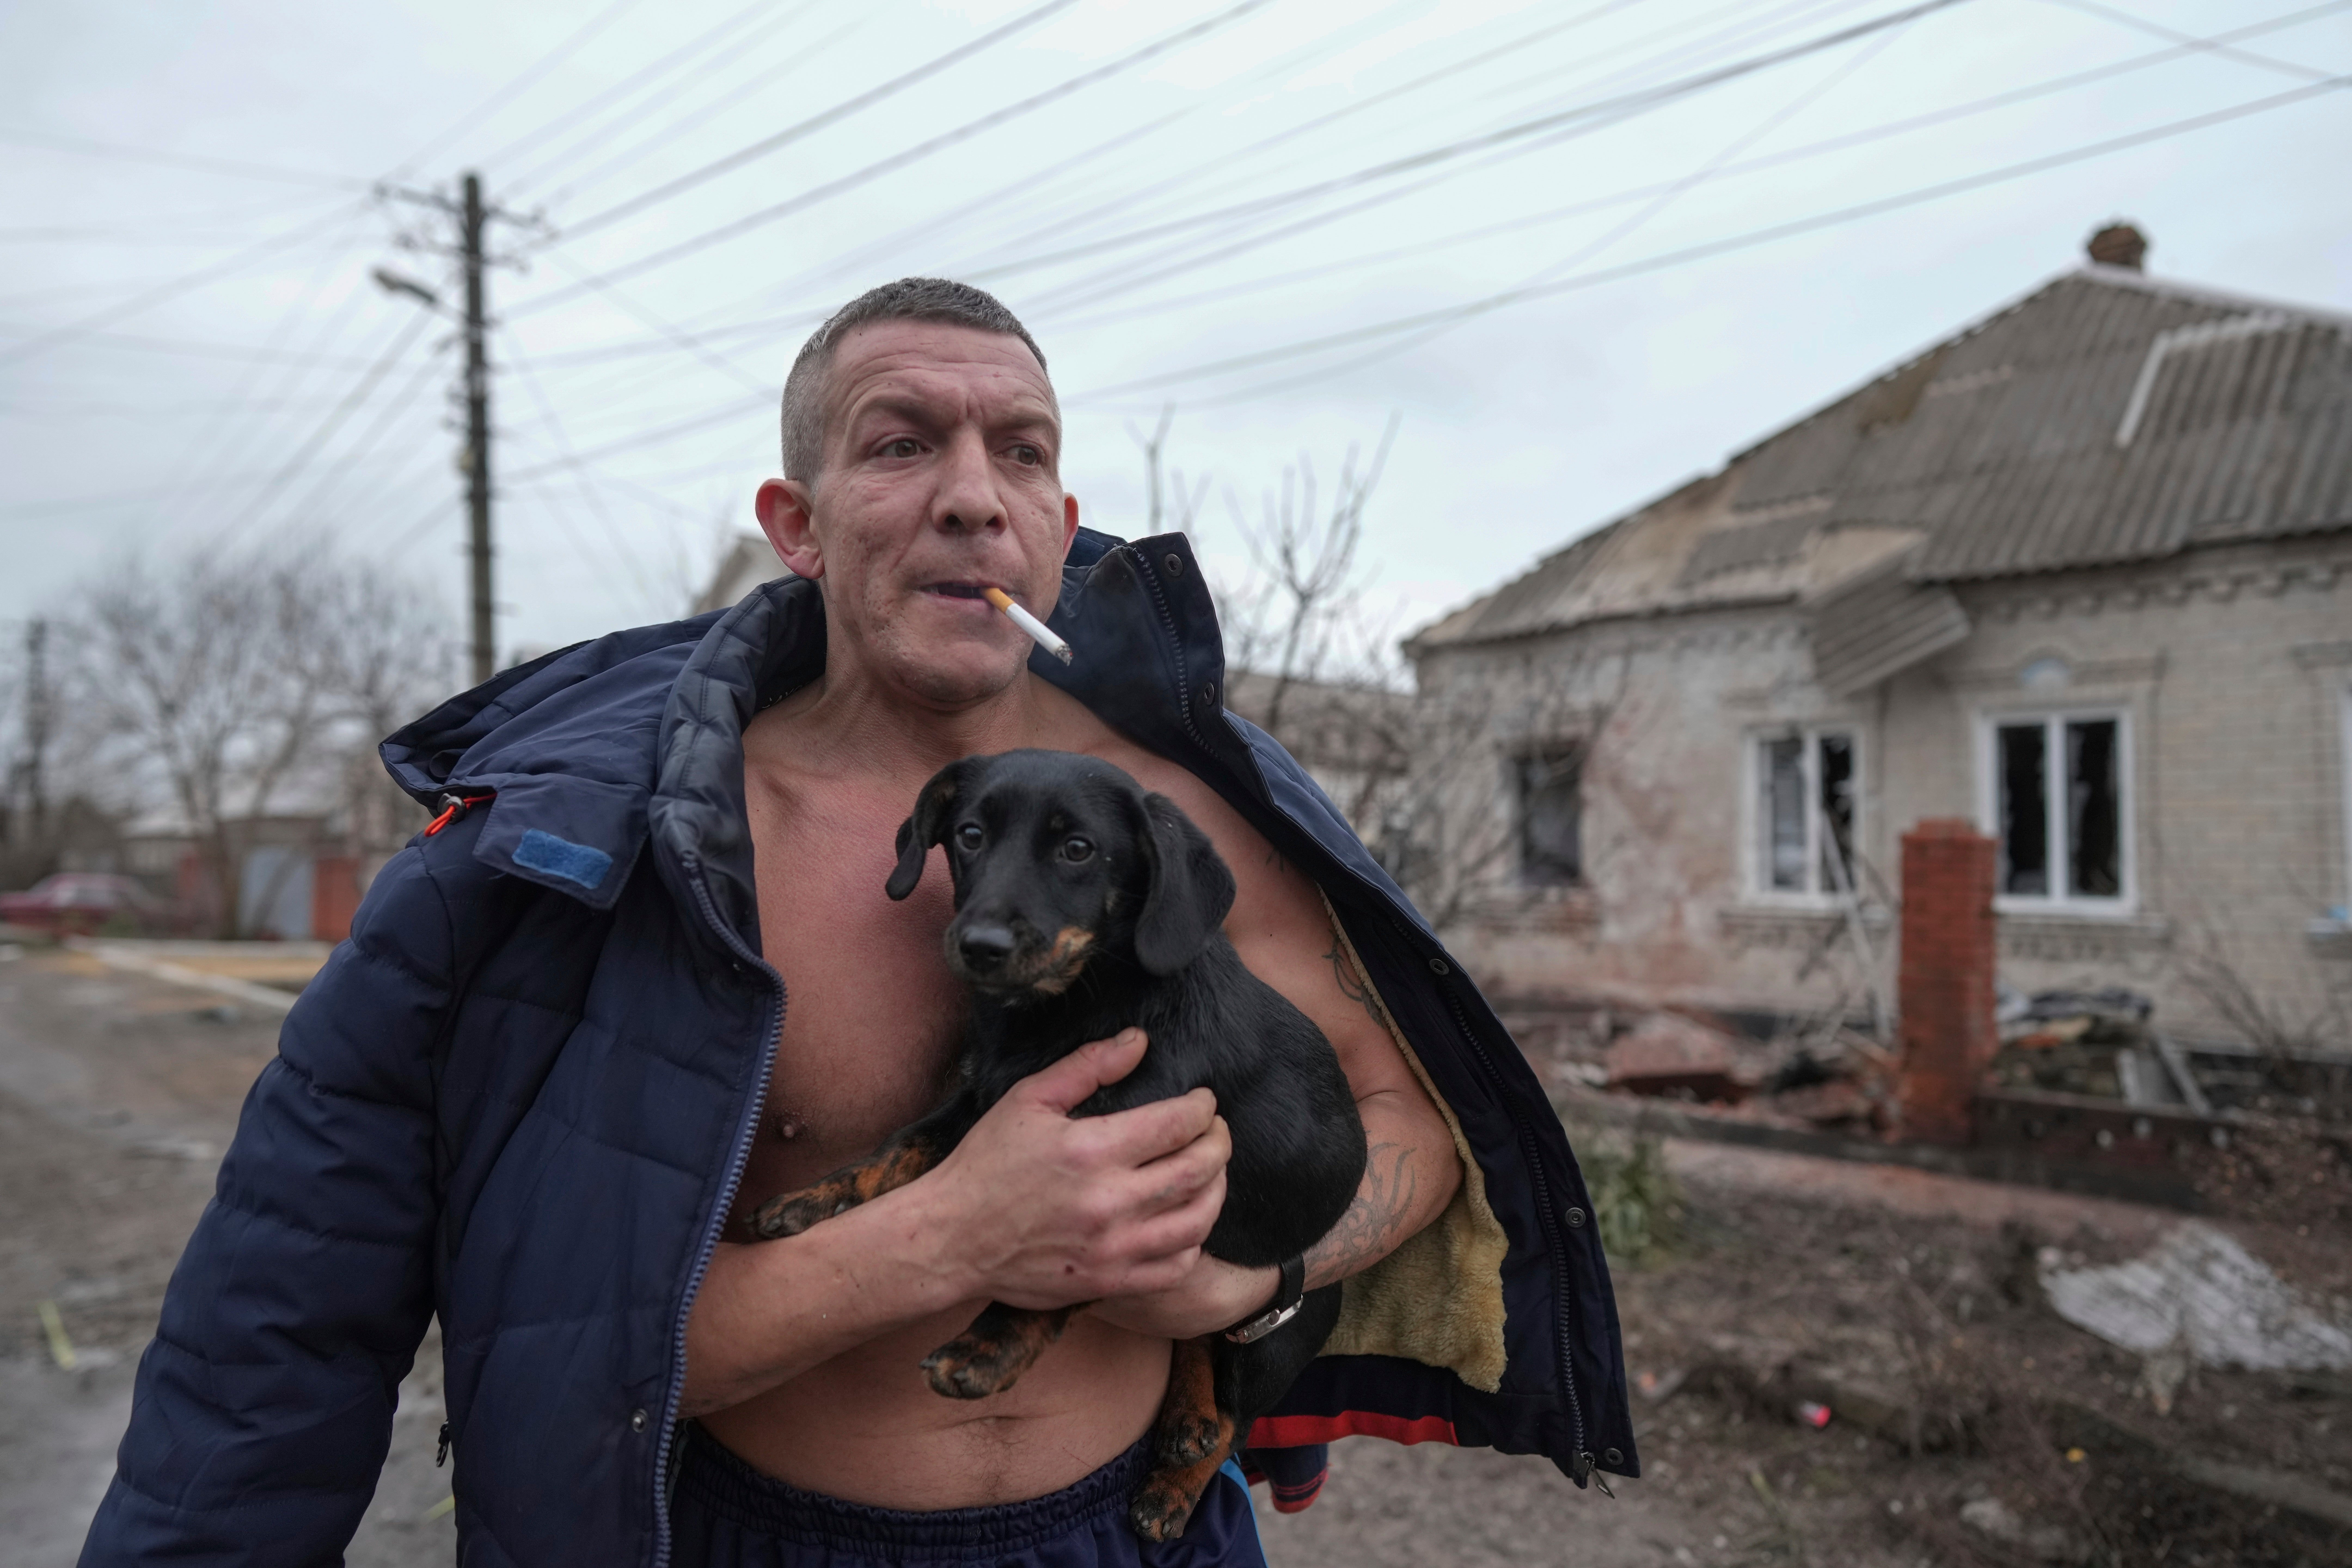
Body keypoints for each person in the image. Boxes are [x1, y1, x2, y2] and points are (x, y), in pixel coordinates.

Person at [81, 280, 1634, 1568]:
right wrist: (951, 1234)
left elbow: (1418, 1134)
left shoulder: (1196, 820)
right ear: (798, 522)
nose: (973, 491)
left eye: (1019, 454)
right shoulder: (569, 852)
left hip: (1144, 1542)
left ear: (1059, 517)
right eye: (902, 446)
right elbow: (296, 1340)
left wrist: (1250, 1283)